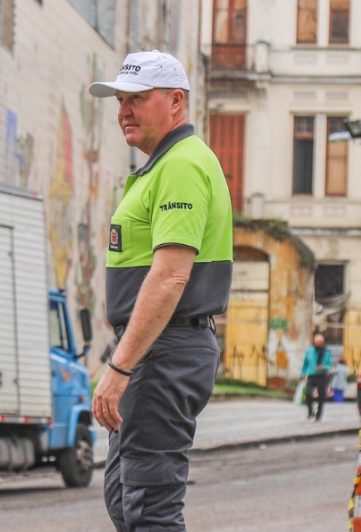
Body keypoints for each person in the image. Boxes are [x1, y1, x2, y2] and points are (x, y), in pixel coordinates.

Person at [89, 50, 233, 531]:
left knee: (150, 511)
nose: (123, 111)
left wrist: (120, 365)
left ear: (176, 101)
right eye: (120, 100)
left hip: (164, 348)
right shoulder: (163, 165)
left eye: (137, 99)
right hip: (156, 347)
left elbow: (171, 276)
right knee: (125, 501)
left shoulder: (182, 165)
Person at [301, 333, 334, 420]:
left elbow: (330, 364)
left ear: (323, 343)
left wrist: (324, 367)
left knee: (321, 396)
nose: (318, 344)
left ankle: (319, 414)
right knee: (308, 393)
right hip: (311, 375)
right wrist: (303, 373)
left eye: (320, 342)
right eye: (317, 342)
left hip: (322, 376)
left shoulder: (327, 352)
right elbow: (305, 363)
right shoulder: (310, 351)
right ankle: (310, 411)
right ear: (314, 342)